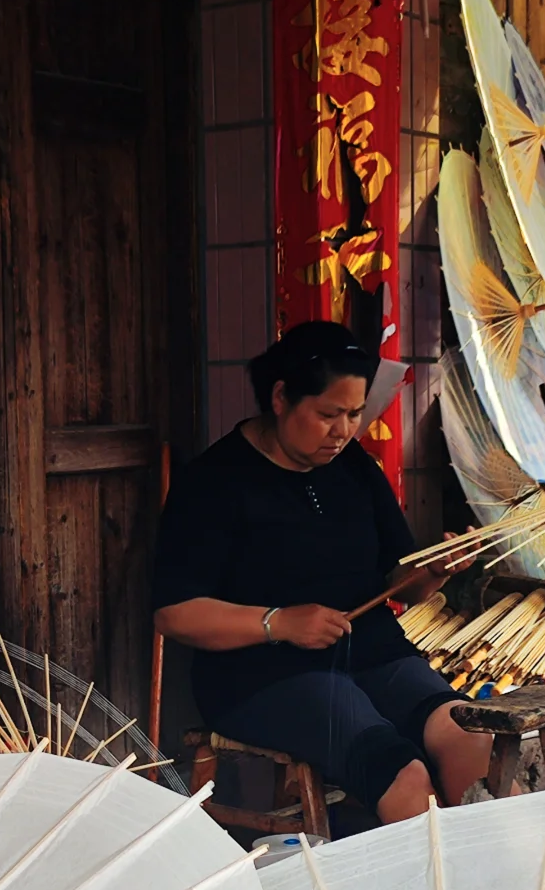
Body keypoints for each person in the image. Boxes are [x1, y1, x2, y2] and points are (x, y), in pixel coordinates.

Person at [152, 320, 493, 825]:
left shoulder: (353, 467)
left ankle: (493, 883)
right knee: (403, 774)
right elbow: (175, 614)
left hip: (372, 651)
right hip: (263, 674)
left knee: (471, 735)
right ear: (281, 397)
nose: (343, 430)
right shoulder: (214, 483)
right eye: (328, 414)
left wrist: (435, 570)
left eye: (354, 414)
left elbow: (402, 582)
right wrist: (278, 622)